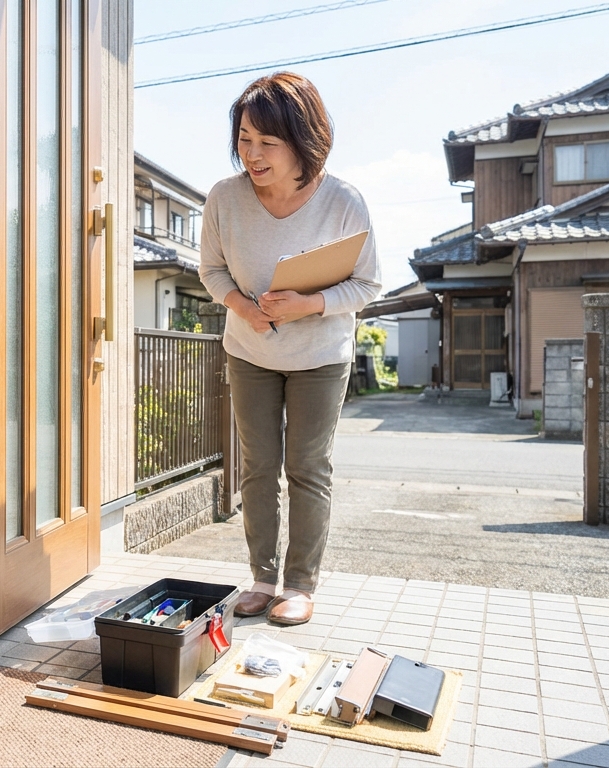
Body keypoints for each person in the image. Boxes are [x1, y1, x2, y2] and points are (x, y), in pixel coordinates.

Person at [198, 73, 381, 626]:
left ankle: (299, 585)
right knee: (257, 466)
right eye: (244, 139)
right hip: (249, 351)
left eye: (266, 142)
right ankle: (261, 578)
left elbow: (368, 284)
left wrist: (310, 304)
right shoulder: (224, 197)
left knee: (306, 466)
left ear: (302, 140)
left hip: (321, 357)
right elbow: (211, 271)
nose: (251, 154)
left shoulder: (343, 201)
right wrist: (241, 305)